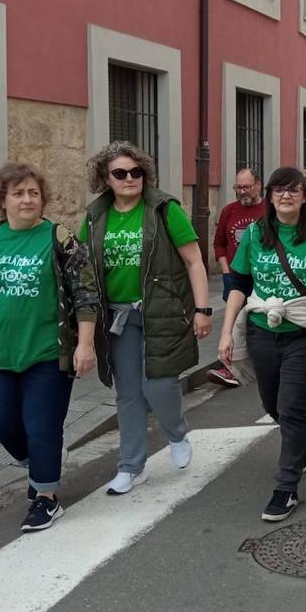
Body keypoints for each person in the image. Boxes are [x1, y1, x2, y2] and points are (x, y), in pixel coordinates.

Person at [0, 163, 98, 532]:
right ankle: (40, 463)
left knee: (42, 426)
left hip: (49, 353)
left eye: (33, 192)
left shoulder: (59, 238)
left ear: (42, 199)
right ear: (3, 200)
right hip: (3, 355)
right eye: (18, 193)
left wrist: (85, 345)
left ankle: (46, 499)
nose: (27, 199)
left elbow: (85, 294)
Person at [81, 142, 212, 495]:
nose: (129, 179)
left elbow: (195, 261)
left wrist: (202, 309)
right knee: (128, 394)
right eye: (120, 173)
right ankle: (131, 466)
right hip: (117, 320)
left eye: (136, 172)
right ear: (105, 179)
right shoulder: (95, 216)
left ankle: (177, 433)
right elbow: (83, 271)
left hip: (162, 311)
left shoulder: (163, 209)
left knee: (160, 385)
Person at [217, 167, 306, 522]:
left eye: (294, 190)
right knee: (272, 404)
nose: (286, 196)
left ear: (305, 196)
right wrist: (226, 331)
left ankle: (286, 487)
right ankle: (305, 437)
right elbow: (238, 283)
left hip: (301, 332)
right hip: (262, 330)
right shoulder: (254, 234)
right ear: (270, 195)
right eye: (279, 190)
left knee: (291, 408)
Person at [208, 167, 265, 388]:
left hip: (260, 276)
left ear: (258, 185)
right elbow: (219, 242)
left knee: (256, 320)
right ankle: (230, 368)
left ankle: (256, 362)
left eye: (247, 187)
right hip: (234, 275)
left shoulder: (268, 210)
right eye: (238, 187)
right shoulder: (228, 211)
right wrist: (225, 269)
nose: (242, 192)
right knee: (233, 322)